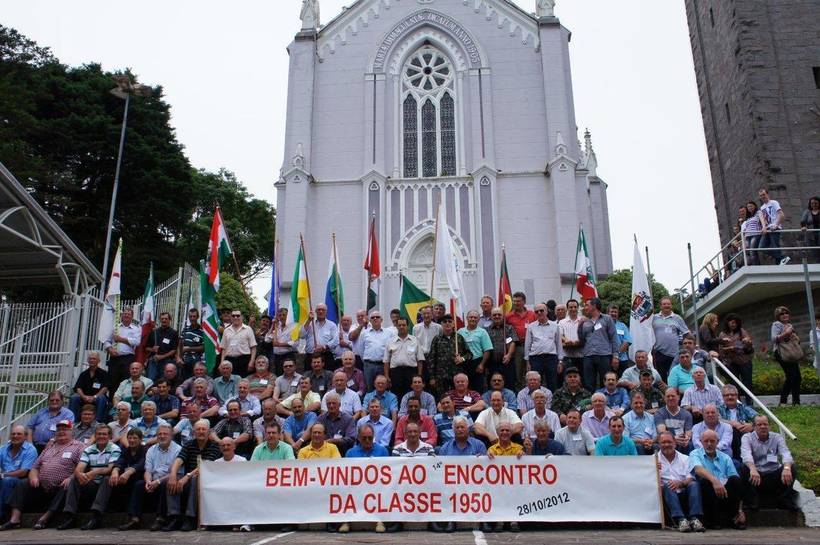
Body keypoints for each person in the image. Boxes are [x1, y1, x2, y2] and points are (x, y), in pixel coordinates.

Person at [1, 420, 84, 530]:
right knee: (22, 483)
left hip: (61, 486)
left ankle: (45, 518)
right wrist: (34, 476)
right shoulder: (49, 447)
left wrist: (71, 477)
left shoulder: (79, 446)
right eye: (59, 430)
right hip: (41, 486)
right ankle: (15, 519)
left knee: (68, 485)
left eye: (65, 429)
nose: (61, 432)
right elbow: (35, 467)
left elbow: (82, 466)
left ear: (72, 431)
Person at [54, 424, 121, 530]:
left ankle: (96, 517)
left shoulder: (115, 448)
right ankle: (70, 516)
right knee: (75, 479)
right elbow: (79, 467)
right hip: (93, 484)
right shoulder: (89, 449)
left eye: (104, 434)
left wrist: (93, 472)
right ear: (95, 435)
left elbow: (110, 469)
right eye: (99, 434)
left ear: (109, 436)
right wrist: (80, 474)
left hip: (108, 485)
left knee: (106, 479)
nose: (101, 436)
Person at [119, 423, 180, 531]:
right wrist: (148, 481)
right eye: (159, 434)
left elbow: (176, 473)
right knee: (139, 484)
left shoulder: (178, 450)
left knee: (164, 484)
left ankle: (160, 519)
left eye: (165, 434)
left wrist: (157, 481)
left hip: (167, 479)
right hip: (153, 479)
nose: (162, 436)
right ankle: (134, 518)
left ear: (171, 436)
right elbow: (148, 470)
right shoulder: (151, 449)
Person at [164, 419, 221, 532]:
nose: (200, 431)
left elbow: (204, 465)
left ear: (208, 432)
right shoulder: (189, 444)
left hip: (206, 479)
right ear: (194, 432)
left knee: (196, 479)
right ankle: (174, 517)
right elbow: (179, 459)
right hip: (189, 478)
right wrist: (173, 474)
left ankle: (190, 518)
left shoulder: (214, 446)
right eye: (198, 429)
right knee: (171, 481)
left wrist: (187, 476)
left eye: (203, 429)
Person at [91, 427, 146, 530]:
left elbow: (141, 464)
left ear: (140, 439)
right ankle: (97, 514)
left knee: (139, 484)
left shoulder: (145, 450)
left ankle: (134, 519)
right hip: (124, 482)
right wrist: (115, 471)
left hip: (138, 481)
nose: (132, 440)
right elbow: (120, 462)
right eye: (130, 438)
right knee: (108, 479)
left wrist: (128, 472)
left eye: (135, 438)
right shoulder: (126, 450)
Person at [689, 430, 745, 530]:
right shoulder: (695, 453)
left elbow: (734, 479)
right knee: (704, 481)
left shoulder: (726, 457)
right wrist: (715, 481)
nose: (709, 444)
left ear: (717, 441)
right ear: (701, 441)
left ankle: (735, 517)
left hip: (724, 492)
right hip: (708, 491)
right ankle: (713, 520)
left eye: (712, 441)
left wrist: (741, 510)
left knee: (736, 480)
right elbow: (698, 469)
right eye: (706, 441)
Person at [741, 415, 797, 511]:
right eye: (759, 424)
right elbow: (746, 455)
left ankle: (784, 500)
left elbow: (786, 453)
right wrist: (753, 469)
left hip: (773, 474)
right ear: (754, 427)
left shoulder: (777, 437)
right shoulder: (747, 437)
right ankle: (753, 502)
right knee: (744, 468)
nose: (763, 427)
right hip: (756, 476)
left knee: (792, 467)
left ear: (769, 426)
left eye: (765, 424)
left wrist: (786, 468)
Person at [658, 431, 705, 533]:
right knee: (668, 485)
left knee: (694, 484)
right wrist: (655, 471)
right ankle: (681, 520)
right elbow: (654, 483)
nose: (666, 445)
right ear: (659, 444)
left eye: (669, 442)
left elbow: (691, 478)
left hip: (684, 490)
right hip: (668, 493)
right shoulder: (655, 460)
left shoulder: (685, 458)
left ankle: (694, 519)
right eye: (663, 442)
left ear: (675, 443)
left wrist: (680, 483)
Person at [486, 422, 523, 533]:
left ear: (511, 433)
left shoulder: (518, 448)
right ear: (497, 433)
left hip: (514, 483)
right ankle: (499, 520)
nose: (505, 432)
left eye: (507, 430)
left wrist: (524, 455)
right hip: (497, 484)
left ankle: (514, 520)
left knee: (514, 491)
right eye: (502, 430)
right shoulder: (491, 450)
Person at [577, 297, 620, 391]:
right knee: (588, 383)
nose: (585, 308)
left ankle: (605, 403)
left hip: (604, 355)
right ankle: (591, 404)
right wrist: (580, 325)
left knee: (605, 382)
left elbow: (614, 337)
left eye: (587, 305)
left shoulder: (607, 318)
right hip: (588, 355)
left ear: (594, 306)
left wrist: (615, 356)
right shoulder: (584, 321)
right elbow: (581, 340)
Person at [0, 425, 37, 521]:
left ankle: (2, 515)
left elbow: (23, 472)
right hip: (5, 477)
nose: (15, 436)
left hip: (22, 481)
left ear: (25, 436)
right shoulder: (3, 449)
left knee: (7, 481)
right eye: (13, 434)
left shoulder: (30, 449)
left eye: (19, 434)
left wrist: (3, 475)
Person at [427, 314, 469, 398]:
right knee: (442, 398)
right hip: (441, 377)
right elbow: (431, 359)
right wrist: (432, 377)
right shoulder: (437, 339)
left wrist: (462, 358)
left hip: (457, 375)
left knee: (458, 397)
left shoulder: (459, 338)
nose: (447, 323)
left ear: (453, 324)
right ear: (441, 324)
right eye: (444, 322)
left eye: (450, 321)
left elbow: (469, 354)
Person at [524, 303, 563, 392]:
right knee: (535, 383)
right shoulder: (531, 327)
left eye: (541, 310)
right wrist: (527, 362)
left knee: (552, 383)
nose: (539, 313)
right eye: (537, 311)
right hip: (535, 358)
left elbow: (559, 344)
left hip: (551, 358)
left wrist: (560, 361)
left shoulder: (555, 326)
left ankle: (552, 404)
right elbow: (527, 345)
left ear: (546, 311)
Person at [383, 317, 424, 399]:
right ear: (396, 327)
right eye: (399, 325)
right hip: (395, 373)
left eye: (404, 325)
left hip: (411, 372)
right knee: (395, 395)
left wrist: (419, 375)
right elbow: (386, 361)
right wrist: (387, 376)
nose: (401, 327)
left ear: (408, 326)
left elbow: (420, 360)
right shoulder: (390, 341)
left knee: (410, 395)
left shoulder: (415, 340)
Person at [102, 307, 141, 393]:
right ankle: (112, 402)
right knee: (112, 381)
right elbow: (106, 341)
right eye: (125, 314)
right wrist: (110, 349)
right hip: (114, 358)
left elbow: (137, 342)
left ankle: (124, 403)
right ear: (121, 316)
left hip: (128, 358)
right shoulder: (115, 328)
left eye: (129, 314)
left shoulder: (136, 329)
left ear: (132, 316)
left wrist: (121, 339)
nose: (126, 315)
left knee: (126, 380)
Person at [717, 314, 754, 402]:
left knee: (747, 382)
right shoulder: (722, 334)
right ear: (727, 322)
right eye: (732, 322)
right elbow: (720, 350)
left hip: (744, 360)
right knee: (734, 383)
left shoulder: (741, 331)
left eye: (736, 323)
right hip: (731, 362)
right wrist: (730, 348)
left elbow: (749, 345)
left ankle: (750, 402)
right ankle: (737, 403)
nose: (734, 324)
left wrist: (748, 342)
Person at [652, 297, 689, 381]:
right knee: (661, 378)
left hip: (674, 354)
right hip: (658, 352)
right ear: (660, 306)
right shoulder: (654, 318)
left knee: (674, 376)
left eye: (668, 304)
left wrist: (684, 346)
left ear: (671, 305)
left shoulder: (677, 318)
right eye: (664, 304)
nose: (666, 306)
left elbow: (686, 333)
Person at [771, 305, 801, 405]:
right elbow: (774, 339)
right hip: (781, 353)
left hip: (791, 352)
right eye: (782, 314)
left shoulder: (790, 325)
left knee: (797, 377)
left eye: (786, 313)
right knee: (791, 376)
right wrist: (786, 333)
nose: (785, 315)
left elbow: (796, 340)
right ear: (778, 316)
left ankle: (796, 402)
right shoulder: (776, 324)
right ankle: (783, 401)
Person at [506, 292, 537, 389]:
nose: (516, 303)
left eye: (518, 301)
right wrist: (509, 346)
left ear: (524, 302)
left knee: (532, 371)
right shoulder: (508, 316)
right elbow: (506, 334)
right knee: (518, 372)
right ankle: (519, 393)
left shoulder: (532, 314)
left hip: (532, 347)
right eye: (514, 301)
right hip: (517, 348)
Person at [718, 384, 758, 459]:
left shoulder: (743, 407)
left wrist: (751, 425)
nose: (730, 397)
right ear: (722, 397)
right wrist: (733, 423)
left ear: (737, 396)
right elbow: (716, 419)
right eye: (727, 395)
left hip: (743, 436)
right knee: (735, 431)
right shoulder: (718, 408)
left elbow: (758, 418)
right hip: (724, 437)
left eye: (732, 395)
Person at [69, 352, 109, 423]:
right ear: (88, 360)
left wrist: (95, 397)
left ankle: (97, 422)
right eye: (90, 359)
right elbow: (78, 388)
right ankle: (72, 422)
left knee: (102, 398)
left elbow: (105, 388)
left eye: (94, 359)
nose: (92, 360)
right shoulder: (83, 374)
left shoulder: (104, 373)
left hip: (97, 397)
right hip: (85, 397)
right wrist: (83, 396)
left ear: (98, 361)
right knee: (74, 397)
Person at [485, 306, 518, 389]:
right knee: (492, 386)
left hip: (507, 362)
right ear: (491, 317)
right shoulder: (486, 330)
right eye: (494, 315)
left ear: (503, 316)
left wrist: (509, 355)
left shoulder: (509, 328)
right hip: (492, 363)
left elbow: (513, 342)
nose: (497, 316)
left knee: (509, 385)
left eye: (499, 315)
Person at [301, 304, 339, 371]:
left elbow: (336, 340)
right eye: (319, 310)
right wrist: (308, 320)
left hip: (326, 356)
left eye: (323, 310)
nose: (321, 311)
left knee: (328, 378)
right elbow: (301, 335)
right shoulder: (309, 323)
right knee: (309, 378)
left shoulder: (332, 325)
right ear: (315, 311)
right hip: (311, 356)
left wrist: (324, 347)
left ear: (326, 312)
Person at [360, 311, 391, 391]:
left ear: (381, 320)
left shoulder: (389, 333)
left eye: (377, 317)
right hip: (369, 365)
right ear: (370, 321)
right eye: (372, 317)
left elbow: (391, 350)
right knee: (369, 388)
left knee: (383, 388)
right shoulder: (364, 333)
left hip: (383, 365)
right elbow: (361, 350)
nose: (375, 319)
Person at [655, 388, 693, 453]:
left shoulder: (687, 414)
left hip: (681, 442)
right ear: (664, 398)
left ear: (678, 397)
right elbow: (662, 432)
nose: (670, 398)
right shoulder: (659, 413)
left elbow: (688, 433)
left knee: (689, 444)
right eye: (668, 396)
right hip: (666, 441)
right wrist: (674, 439)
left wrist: (686, 439)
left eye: (673, 396)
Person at [144, 312, 179, 382]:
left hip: (167, 361)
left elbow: (174, 350)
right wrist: (152, 349)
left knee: (164, 382)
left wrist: (162, 357)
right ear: (160, 320)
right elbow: (146, 348)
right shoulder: (154, 332)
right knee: (150, 381)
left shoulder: (174, 333)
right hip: (154, 361)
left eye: (166, 319)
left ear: (170, 320)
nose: (164, 320)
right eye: (162, 319)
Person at [220, 310, 257, 374]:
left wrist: (252, 361)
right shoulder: (226, 330)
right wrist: (222, 362)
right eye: (233, 316)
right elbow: (223, 348)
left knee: (243, 382)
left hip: (244, 360)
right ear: (231, 317)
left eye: (238, 315)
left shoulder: (248, 329)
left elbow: (253, 347)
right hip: (229, 360)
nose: (235, 317)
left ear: (242, 317)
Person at [757, 187, 788, 265]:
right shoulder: (762, 207)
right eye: (761, 195)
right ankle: (782, 258)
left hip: (775, 228)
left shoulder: (774, 202)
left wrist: (776, 225)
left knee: (775, 246)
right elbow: (763, 220)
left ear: (767, 194)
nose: (762, 196)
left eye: (764, 194)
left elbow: (781, 215)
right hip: (767, 229)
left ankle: (780, 262)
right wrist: (764, 227)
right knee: (761, 247)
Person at [558, 299, 583, 378]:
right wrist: (566, 340)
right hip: (567, 356)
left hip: (581, 356)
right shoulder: (562, 322)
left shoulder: (583, 321)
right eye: (571, 307)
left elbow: (587, 335)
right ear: (567, 309)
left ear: (578, 308)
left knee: (582, 379)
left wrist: (580, 341)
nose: (573, 309)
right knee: (568, 379)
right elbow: (560, 335)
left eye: (575, 307)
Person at [177, 308, 204, 380]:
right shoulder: (185, 329)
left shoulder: (202, 331)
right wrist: (179, 358)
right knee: (183, 380)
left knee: (195, 381)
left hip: (196, 361)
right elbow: (180, 344)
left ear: (198, 317)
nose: (192, 318)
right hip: (184, 361)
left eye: (194, 316)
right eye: (190, 316)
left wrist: (189, 349)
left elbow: (203, 348)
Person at [269, 307, 297, 374]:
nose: (282, 317)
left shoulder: (293, 327)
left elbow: (295, 343)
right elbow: (267, 339)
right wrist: (272, 325)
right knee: (279, 376)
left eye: (284, 315)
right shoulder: (277, 328)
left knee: (290, 376)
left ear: (288, 316)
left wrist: (279, 344)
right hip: (277, 357)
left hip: (288, 356)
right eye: (280, 315)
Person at [608, 305, 633, 373]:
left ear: (618, 314)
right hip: (607, 359)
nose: (613, 313)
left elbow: (627, 342)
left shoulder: (623, 326)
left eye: (615, 312)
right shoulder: (603, 325)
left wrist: (616, 356)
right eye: (611, 312)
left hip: (622, 359)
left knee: (622, 382)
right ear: (608, 313)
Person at [800, 195, 820, 262]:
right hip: (811, 235)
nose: (814, 205)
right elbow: (803, 221)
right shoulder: (807, 212)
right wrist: (803, 227)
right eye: (812, 203)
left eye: (816, 203)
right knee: (814, 252)